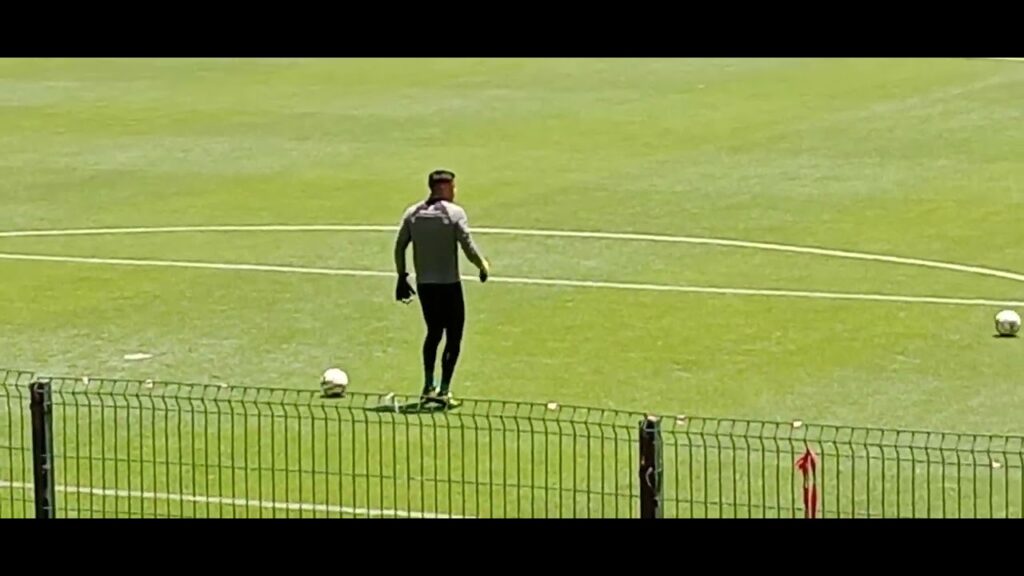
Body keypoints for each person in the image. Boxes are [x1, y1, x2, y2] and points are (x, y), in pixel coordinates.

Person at [394, 169, 490, 407]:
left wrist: (401, 275)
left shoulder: (412, 214)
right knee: (453, 336)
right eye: (453, 187)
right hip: (449, 285)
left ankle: (428, 386)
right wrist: (482, 265)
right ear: (444, 188)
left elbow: (399, 246)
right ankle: (444, 390)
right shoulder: (454, 213)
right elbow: (467, 244)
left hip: (425, 285)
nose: (455, 191)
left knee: (433, 333)